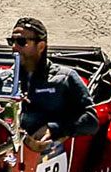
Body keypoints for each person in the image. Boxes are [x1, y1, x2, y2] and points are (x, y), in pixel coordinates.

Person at [7, 16, 98, 152]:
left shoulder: (64, 78)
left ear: (41, 46)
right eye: (11, 41)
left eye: (21, 42)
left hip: (48, 152)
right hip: (11, 152)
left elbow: (91, 121)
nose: (14, 47)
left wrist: (54, 128)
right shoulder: (5, 79)